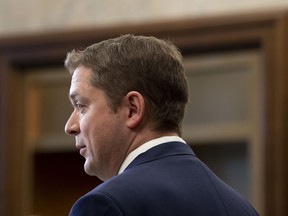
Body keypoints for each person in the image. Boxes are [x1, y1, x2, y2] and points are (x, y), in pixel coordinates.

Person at [64, 34, 259, 216]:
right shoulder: (243, 208)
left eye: (81, 106)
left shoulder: (104, 205)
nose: (70, 126)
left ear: (132, 109)